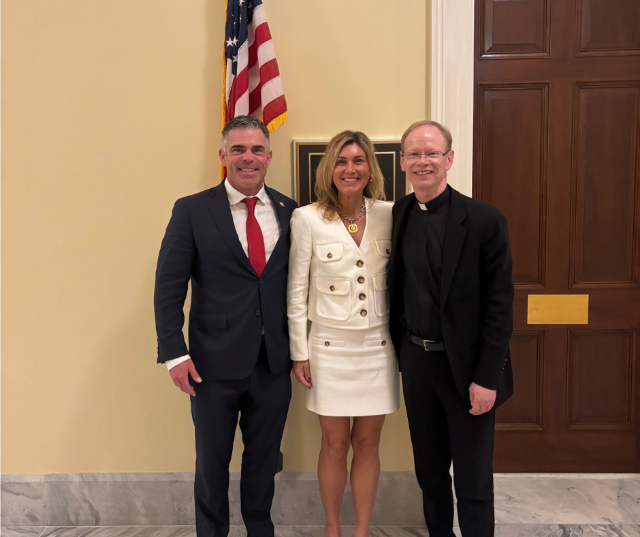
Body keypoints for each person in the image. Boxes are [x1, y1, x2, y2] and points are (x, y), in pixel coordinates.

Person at [154, 115, 297, 537]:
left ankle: (259, 529)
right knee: (212, 464)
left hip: (273, 364)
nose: (247, 158)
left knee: (264, 461)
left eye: (256, 150)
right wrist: (174, 353)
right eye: (238, 149)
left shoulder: (292, 212)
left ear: (269, 157)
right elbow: (168, 286)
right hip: (211, 365)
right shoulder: (193, 209)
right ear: (223, 156)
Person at [388, 120, 514, 537]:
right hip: (416, 364)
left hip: (466, 370)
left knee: (473, 480)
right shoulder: (400, 213)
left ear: (449, 159)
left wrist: (487, 377)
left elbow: (500, 308)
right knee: (429, 473)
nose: (423, 162)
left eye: (432, 153)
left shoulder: (484, 220)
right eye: (414, 154)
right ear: (402, 161)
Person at [287, 130, 400, 537]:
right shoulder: (308, 218)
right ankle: (332, 529)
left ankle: (362, 531)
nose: (349, 169)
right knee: (334, 444)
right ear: (329, 169)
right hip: (329, 349)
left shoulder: (391, 213)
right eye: (341, 161)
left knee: (368, 445)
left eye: (357, 160)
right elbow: (295, 292)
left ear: (370, 168)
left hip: (377, 347)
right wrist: (300, 353)